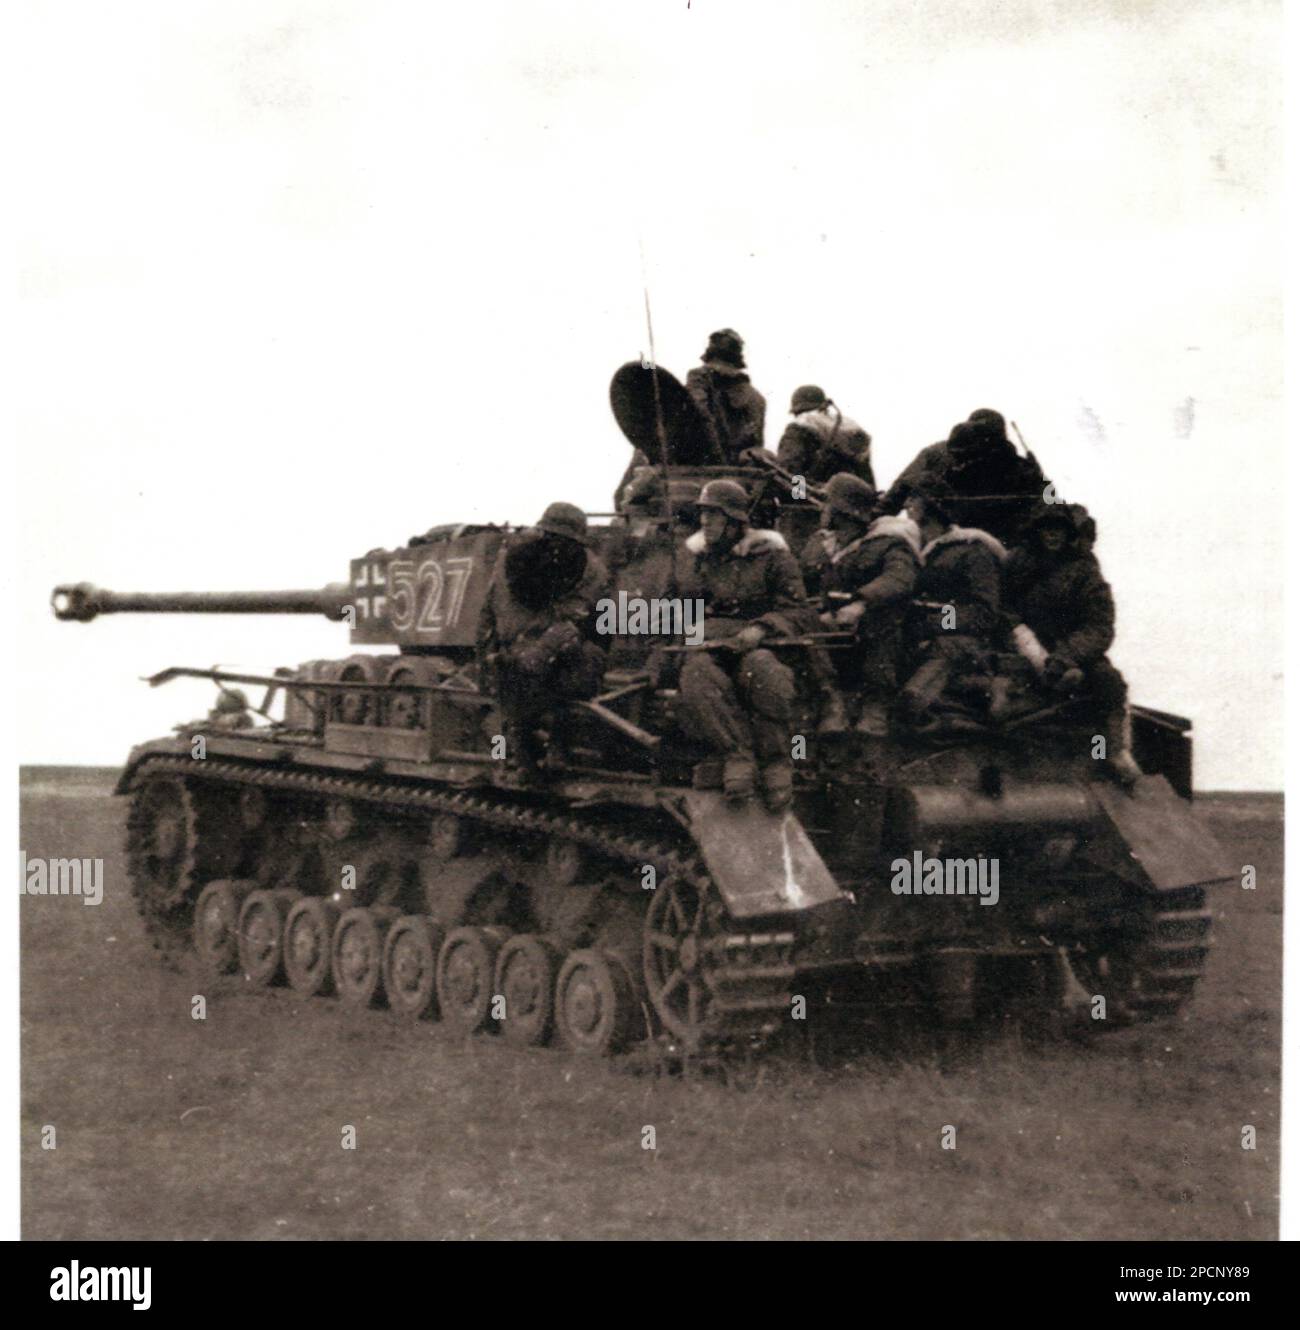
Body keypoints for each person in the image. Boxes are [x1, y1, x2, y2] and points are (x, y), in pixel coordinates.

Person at [676, 479, 818, 811]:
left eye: (713, 515)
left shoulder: (773, 557)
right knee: (696, 674)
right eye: (703, 515)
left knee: (763, 671)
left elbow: (799, 611)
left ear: (735, 520)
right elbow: (683, 611)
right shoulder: (697, 559)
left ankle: (777, 762)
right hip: (713, 644)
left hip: (766, 645)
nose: (705, 522)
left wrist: (761, 629)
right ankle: (737, 755)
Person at [1004, 502, 1141, 785]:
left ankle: (1112, 752)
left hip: (1073, 649)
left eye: (1059, 530)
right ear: (1036, 533)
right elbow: (1001, 604)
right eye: (1046, 530)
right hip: (1019, 644)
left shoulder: (1084, 571)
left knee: (1108, 682)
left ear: (1069, 534)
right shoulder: (1017, 563)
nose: (1052, 536)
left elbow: (1100, 626)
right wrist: (1022, 636)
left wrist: (1066, 655)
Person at [477, 502, 611, 777]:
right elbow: (489, 612)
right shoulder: (517, 563)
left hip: (533, 663)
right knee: (508, 723)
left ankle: (538, 749)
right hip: (532, 663)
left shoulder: (588, 572)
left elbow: (487, 615)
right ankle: (524, 753)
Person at [801, 474, 921, 735]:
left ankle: (876, 705)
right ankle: (831, 701)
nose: (822, 509)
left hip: (872, 635)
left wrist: (862, 603)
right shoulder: (820, 544)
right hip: (830, 632)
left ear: (842, 511)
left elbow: (900, 579)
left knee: (886, 617)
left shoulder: (888, 543)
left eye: (827, 503)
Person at [897, 478, 1009, 725]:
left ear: (932, 506)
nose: (907, 505)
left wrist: (936, 623)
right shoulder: (913, 549)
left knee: (912, 698)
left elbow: (984, 612)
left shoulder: (972, 551)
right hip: (921, 640)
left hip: (959, 644)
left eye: (914, 499)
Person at [883, 408, 1048, 546]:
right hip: (990, 542)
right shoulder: (1018, 465)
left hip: (944, 536)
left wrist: (878, 517)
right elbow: (1046, 502)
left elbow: (903, 487)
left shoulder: (939, 452)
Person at [684, 329, 767, 464]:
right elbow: (757, 446)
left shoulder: (699, 378)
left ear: (710, 355)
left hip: (704, 471)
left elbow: (699, 416)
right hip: (744, 477)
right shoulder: (757, 397)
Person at [776, 385, 874, 487]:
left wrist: (797, 498)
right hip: (847, 500)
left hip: (812, 497)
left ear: (797, 410)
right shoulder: (851, 430)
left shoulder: (800, 426)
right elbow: (866, 479)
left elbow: (790, 469)